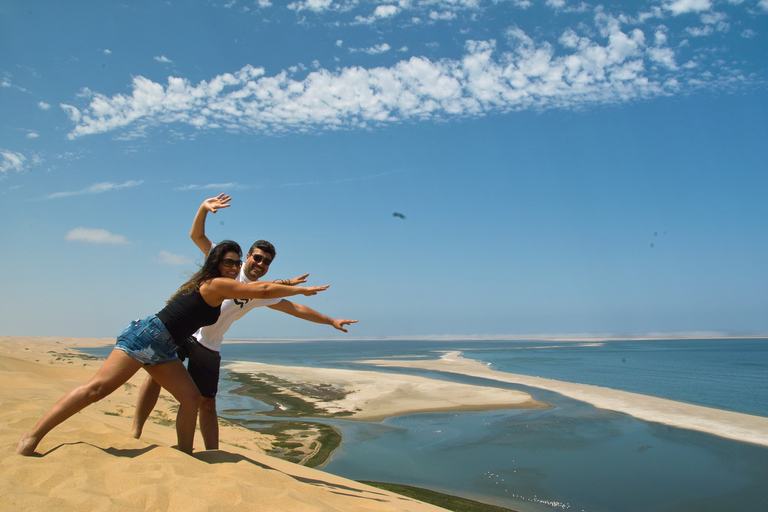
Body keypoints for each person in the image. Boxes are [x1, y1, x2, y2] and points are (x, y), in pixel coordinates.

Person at [17, 240, 330, 456]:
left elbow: (258, 288)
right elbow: (258, 289)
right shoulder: (217, 283)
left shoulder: (223, 284)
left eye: (237, 263)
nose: (235, 267)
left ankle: (183, 453)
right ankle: (32, 436)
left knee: (192, 398)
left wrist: (292, 288)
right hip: (148, 336)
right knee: (97, 389)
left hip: (166, 347)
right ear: (219, 262)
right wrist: (298, 288)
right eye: (230, 262)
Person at [131, 194, 357, 449]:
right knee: (154, 377)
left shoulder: (262, 291)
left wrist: (331, 321)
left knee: (207, 402)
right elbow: (197, 236)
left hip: (210, 345)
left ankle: (213, 454)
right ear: (248, 256)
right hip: (187, 333)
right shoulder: (226, 266)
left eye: (266, 262)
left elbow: (295, 308)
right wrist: (204, 208)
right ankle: (135, 432)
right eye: (257, 258)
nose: (260, 264)